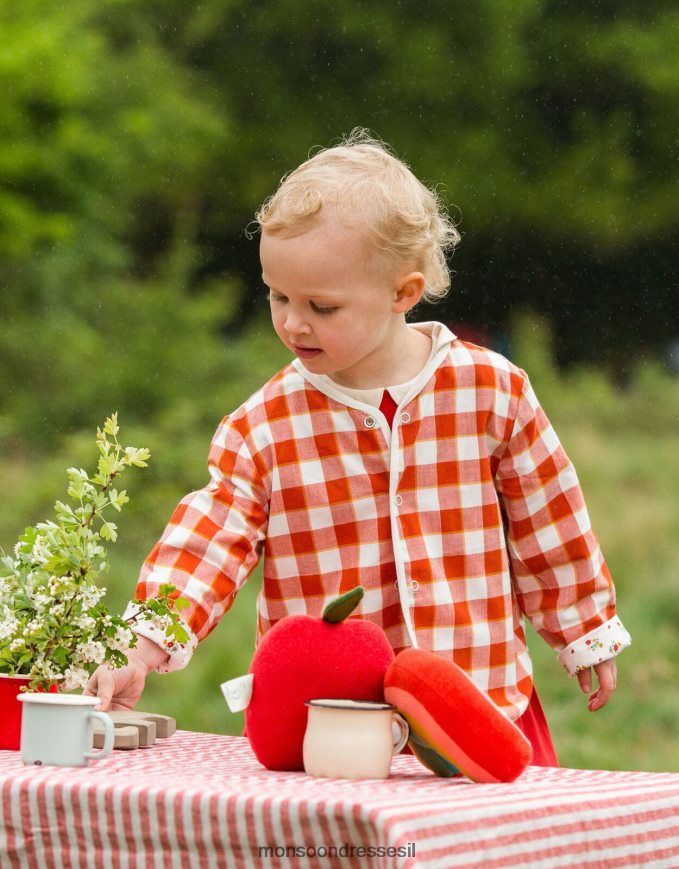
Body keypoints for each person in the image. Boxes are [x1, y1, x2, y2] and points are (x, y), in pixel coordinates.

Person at [85, 129, 631, 765]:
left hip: (478, 700)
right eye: (278, 296)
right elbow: (211, 537)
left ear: (403, 292)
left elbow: (549, 517)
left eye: (322, 305)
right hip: (331, 720)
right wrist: (144, 642)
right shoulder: (264, 423)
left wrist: (584, 628)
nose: (293, 321)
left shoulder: (491, 390)